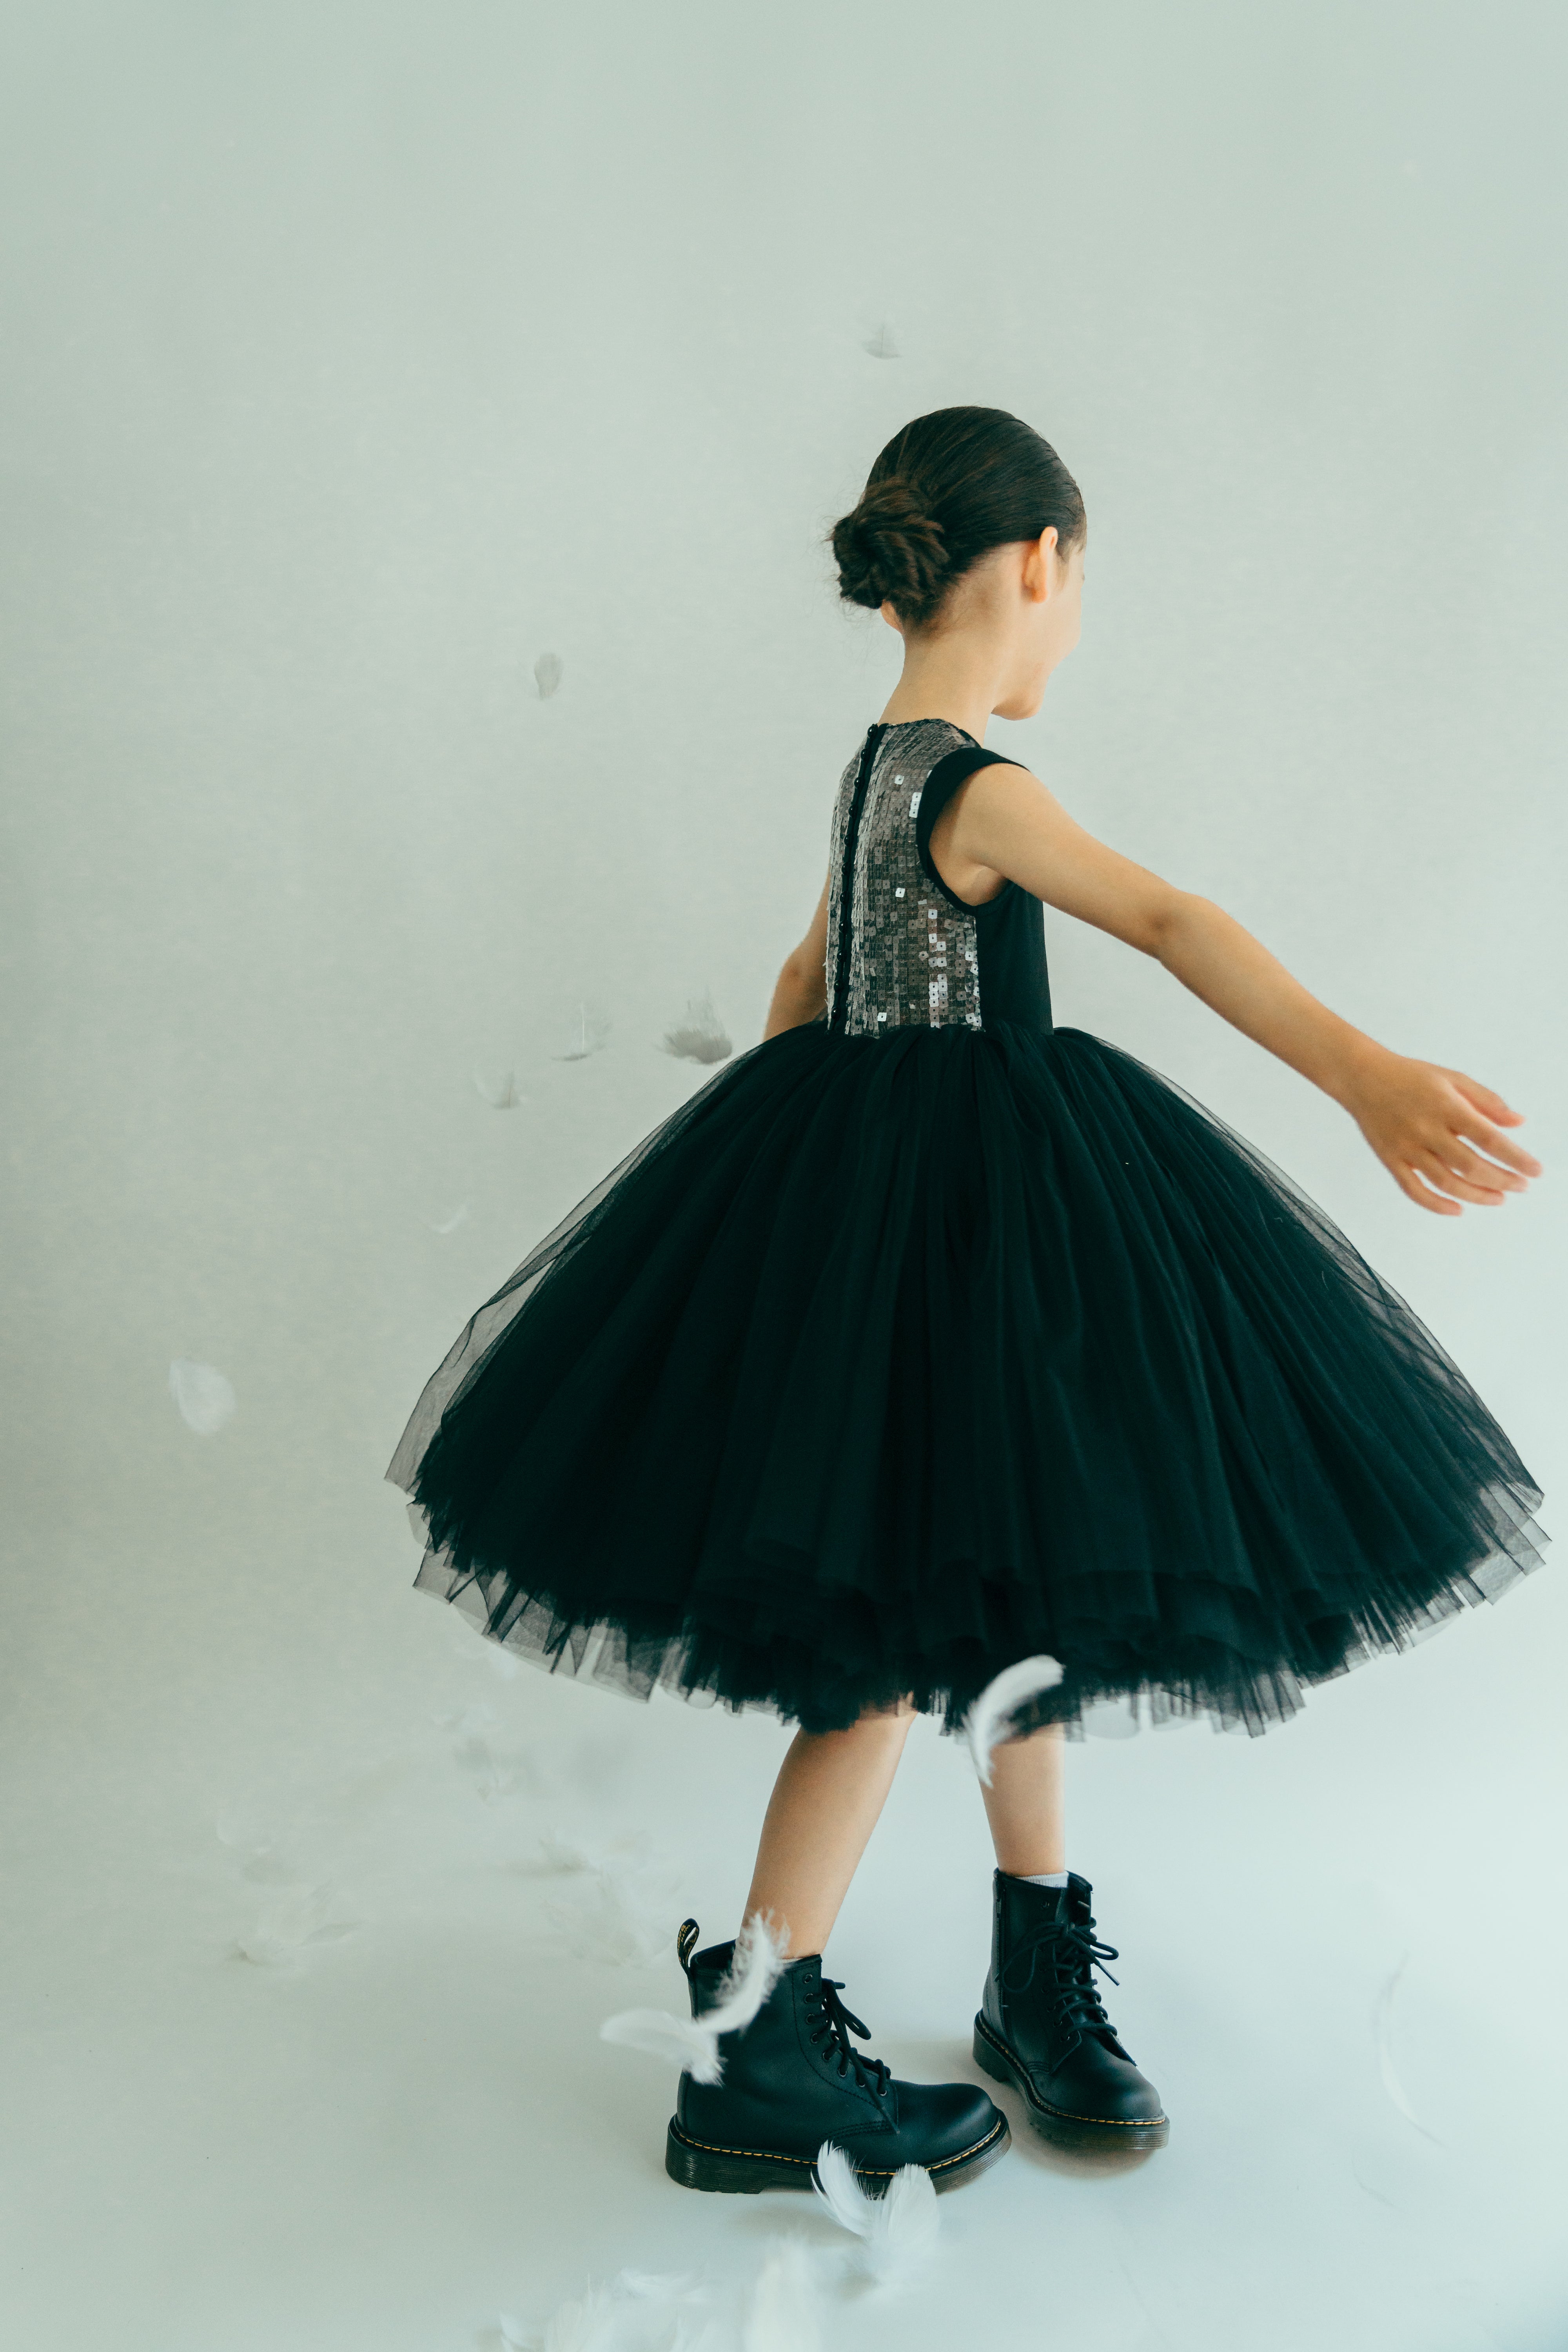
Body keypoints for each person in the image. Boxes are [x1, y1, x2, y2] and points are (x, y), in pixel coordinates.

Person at [386, 406, 1546, 2199]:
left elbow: (805, 977)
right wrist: (1367, 1073)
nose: (1076, 624)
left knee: (1016, 1578)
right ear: (1040, 565)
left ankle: (1028, 1960)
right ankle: (752, 2048)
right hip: (963, 1230)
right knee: (874, 1653)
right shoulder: (974, 783)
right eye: (1082, 591)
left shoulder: (870, 774)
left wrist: (771, 1233)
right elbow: (1164, 918)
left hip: (942, 1236)